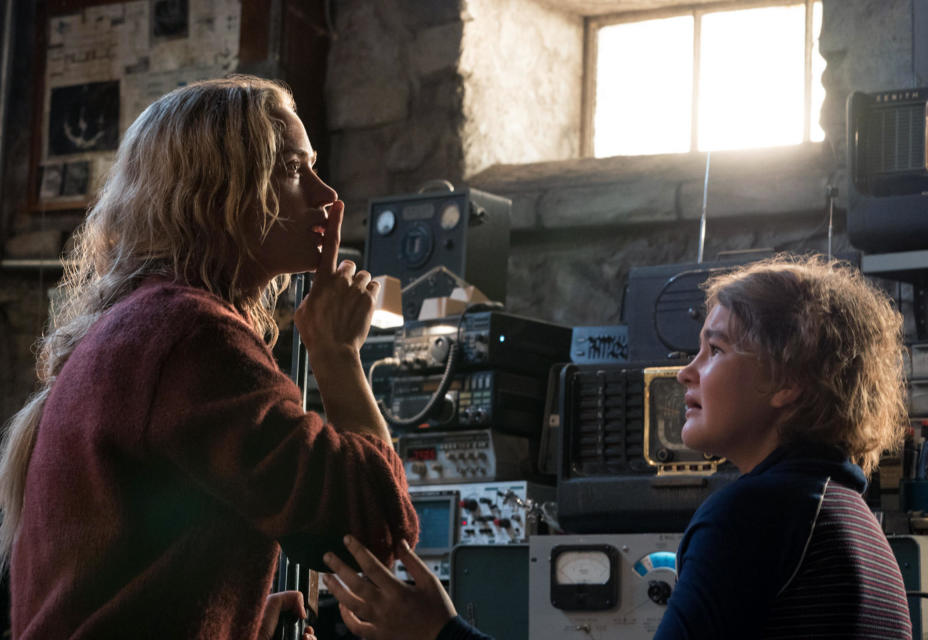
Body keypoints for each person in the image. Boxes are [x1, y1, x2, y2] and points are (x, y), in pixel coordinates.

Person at [0, 75, 418, 639]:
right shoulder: (191, 337)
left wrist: (239, 623)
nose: (328, 198)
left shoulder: (140, 325)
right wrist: (337, 356)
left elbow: (125, 578)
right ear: (219, 193)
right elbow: (374, 529)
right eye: (291, 170)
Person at [322, 254, 913, 640]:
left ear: (788, 382)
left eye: (716, 350)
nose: (686, 372)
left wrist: (439, 632)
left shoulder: (754, 515)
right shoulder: (850, 518)